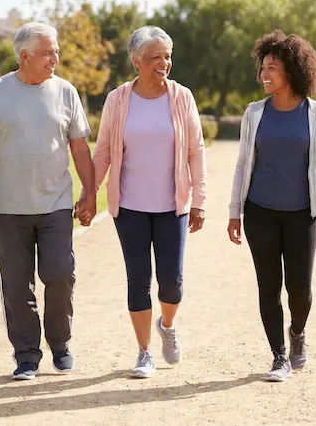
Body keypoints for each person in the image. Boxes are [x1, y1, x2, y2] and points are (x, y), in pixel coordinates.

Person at [0, 22, 96, 381]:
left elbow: (80, 148)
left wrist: (90, 192)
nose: (55, 57)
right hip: (9, 207)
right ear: (25, 56)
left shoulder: (66, 91)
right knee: (16, 284)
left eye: (56, 51)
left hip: (55, 204)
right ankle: (26, 355)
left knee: (60, 274)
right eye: (48, 52)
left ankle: (60, 344)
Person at [86, 25, 207, 379]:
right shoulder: (118, 99)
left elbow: (195, 152)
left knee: (171, 282)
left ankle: (167, 325)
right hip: (131, 207)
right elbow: (104, 152)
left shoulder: (182, 97)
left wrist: (199, 201)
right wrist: (89, 194)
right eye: (156, 57)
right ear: (136, 60)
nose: (164, 63)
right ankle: (144, 353)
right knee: (138, 278)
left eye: (167, 56)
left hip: (173, 206)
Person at [227, 30, 316, 382]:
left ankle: (298, 334)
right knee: (268, 285)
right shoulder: (254, 113)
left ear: (291, 70)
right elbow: (243, 163)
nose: (264, 73)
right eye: (263, 67)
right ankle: (278, 356)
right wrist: (234, 210)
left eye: (271, 67)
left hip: (301, 213)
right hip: (260, 210)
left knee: (300, 288)